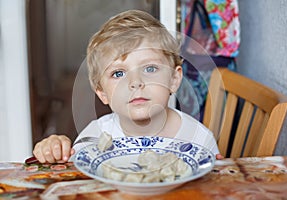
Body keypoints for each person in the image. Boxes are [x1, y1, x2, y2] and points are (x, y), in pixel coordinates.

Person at [33, 10, 222, 164]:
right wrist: (56, 151)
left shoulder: (198, 139)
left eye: (150, 68)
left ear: (174, 79)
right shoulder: (96, 135)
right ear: (102, 93)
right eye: (118, 73)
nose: (135, 82)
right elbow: (75, 176)